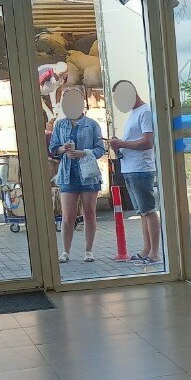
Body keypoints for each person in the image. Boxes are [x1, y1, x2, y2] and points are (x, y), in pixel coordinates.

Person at [49, 88, 105, 263]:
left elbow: (100, 149)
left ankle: (89, 251)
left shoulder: (92, 124)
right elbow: (53, 148)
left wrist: (83, 153)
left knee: (89, 212)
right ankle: (65, 251)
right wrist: (62, 149)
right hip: (67, 174)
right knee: (67, 215)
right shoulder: (60, 125)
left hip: (88, 174)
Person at [109, 80, 161, 265]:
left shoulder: (145, 112)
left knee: (148, 210)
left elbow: (148, 142)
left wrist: (121, 143)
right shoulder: (134, 113)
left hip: (141, 169)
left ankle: (154, 252)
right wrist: (118, 146)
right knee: (143, 212)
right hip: (130, 168)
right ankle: (146, 250)